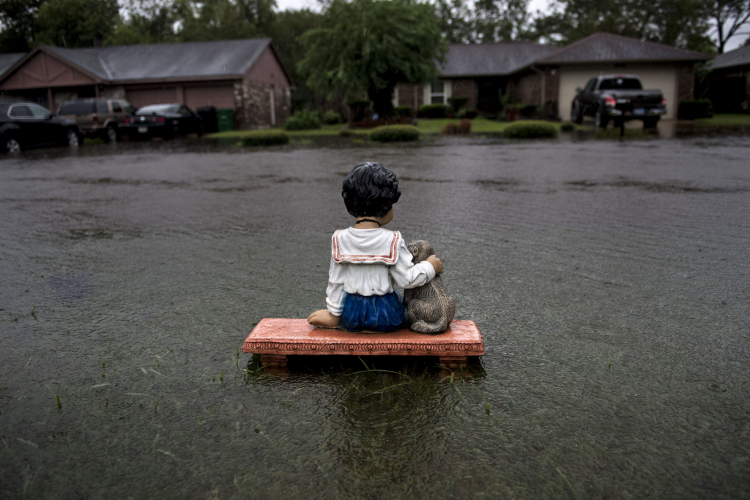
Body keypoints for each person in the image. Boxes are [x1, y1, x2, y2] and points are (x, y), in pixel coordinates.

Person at [307, 162, 443, 332]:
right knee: (402, 304)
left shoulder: (339, 239)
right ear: (386, 205)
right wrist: (430, 266)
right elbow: (407, 280)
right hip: (385, 316)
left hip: (352, 315)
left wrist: (334, 314)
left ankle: (341, 321)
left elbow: (336, 281)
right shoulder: (392, 240)